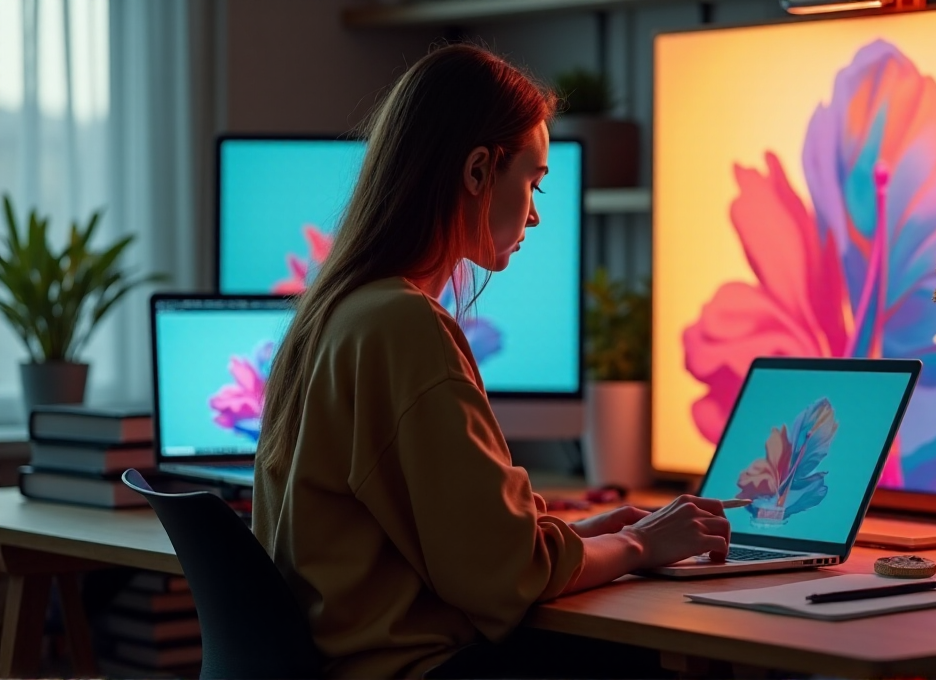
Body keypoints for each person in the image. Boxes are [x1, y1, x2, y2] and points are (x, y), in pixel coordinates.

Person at [252, 44, 731, 679]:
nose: (534, 212)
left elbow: (465, 538)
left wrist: (592, 533)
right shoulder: (404, 325)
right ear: (478, 171)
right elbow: (504, 577)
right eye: (532, 180)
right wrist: (641, 544)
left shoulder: (335, 311)